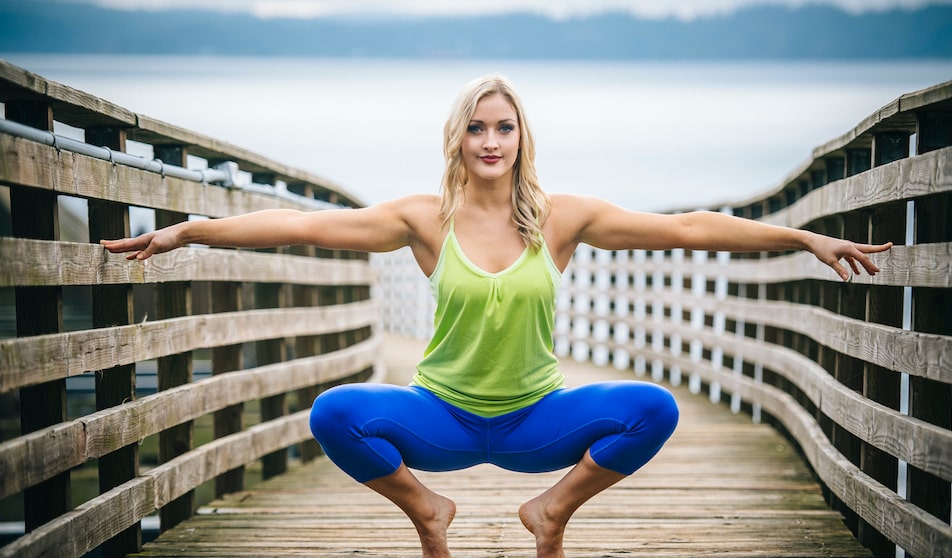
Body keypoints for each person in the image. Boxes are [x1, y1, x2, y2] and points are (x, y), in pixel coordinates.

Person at [102, 74, 892, 558]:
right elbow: (299, 225)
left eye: (504, 126)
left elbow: (688, 227)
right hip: (438, 419)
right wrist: (190, 230)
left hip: (534, 422)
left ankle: (550, 511)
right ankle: (429, 514)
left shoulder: (562, 217)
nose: (491, 140)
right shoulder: (423, 219)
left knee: (652, 408)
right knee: (335, 411)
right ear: (458, 137)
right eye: (476, 126)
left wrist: (800, 236)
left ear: (523, 138)